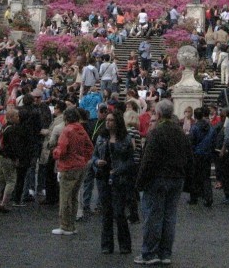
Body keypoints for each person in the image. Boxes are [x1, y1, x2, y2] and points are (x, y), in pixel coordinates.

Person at [134, 99, 191, 265]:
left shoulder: (156, 132)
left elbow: (148, 159)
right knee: (169, 217)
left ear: (158, 114)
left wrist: (140, 181)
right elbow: (189, 157)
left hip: (158, 178)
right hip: (176, 178)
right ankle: (165, 252)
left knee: (153, 216)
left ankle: (150, 253)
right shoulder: (180, 132)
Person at [93, 110, 135, 254]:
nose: (108, 122)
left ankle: (124, 244)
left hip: (119, 178)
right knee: (106, 212)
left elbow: (130, 161)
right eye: (107, 120)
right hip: (103, 177)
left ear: (117, 122)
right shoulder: (101, 137)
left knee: (119, 212)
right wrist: (97, 161)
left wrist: (119, 169)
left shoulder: (126, 139)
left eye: (111, 120)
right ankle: (106, 245)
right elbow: (94, 155)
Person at [52, 107, 94, 235]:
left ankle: (65, 226)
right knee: (74, 197)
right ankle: (72, 224)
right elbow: (90, 147)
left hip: (68, 166)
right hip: (80, 166)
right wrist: (84, 159)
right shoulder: (81, 129)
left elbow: (62, 149)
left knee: (65, 197)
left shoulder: (67, 130)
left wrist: (55, 153)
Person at [188, 107, 214, 208]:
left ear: (195, 116)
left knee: (194, 176)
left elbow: (191, 141)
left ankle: (194, 198)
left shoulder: (194, 128)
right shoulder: (210, 127)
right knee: (206, 177)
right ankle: (208, 197)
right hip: (207, 154)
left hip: (196, 154)